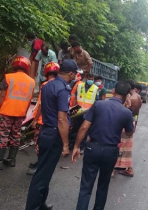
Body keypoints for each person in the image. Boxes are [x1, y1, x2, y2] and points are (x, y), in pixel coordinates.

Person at [72, 81, 134, 210]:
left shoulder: (98, 105)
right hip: (110, 152)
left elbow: (84, 127)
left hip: (92, 148)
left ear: (113, 90)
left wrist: (76, 146)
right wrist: (129, 108)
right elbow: (129, 132)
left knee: (86, 187)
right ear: (127, 95)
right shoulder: (126, 112)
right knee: (103, 186)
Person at [25, 59, 77, 210]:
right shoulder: (63, 89)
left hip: (45, 131)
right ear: (71, 73)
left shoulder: (47, 86)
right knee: (42, 175)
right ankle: (33, 207)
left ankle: (41, 204)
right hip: (54, 134)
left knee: (45, 172)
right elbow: (61, 120)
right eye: (75, 74)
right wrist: (66, 145)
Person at [0, 56, 35, 170]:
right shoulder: (31, 82)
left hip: (7, 112)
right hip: (20, 113)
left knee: (4, 135)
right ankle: (11, 159)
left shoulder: (8, 77)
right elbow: (29, 100)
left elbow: (2, 95)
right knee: (16, 135)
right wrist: (24, 112)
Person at [27, 62, 60, 175]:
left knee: (38, 143)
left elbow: (41, 104)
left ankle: (40, 167)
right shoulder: (60, 85)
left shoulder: (45, 85)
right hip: (52, 121)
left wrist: (35, 119)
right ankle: (40, 163)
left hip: (42, 120)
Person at [114, 79, 142, 177]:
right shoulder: (138, 97)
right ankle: (128, 168)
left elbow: (122, 112)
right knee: (126, 147)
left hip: (125, 124)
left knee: (117, 145)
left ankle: (111, 169)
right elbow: (136, 114)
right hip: (131, 123)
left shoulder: (130, 99)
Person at [69, 73, 99, 150]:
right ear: (86, 78)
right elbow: (76, 97)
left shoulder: (96, 88)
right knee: (75, 128)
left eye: (92, 79)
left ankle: (82, 146)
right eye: (90, 78)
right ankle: (72, 144)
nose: (91, 80)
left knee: (85, 130)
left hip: (88, 113)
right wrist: (73, 108)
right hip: (78, 111)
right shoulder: (80, 86)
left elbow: (97, 101)